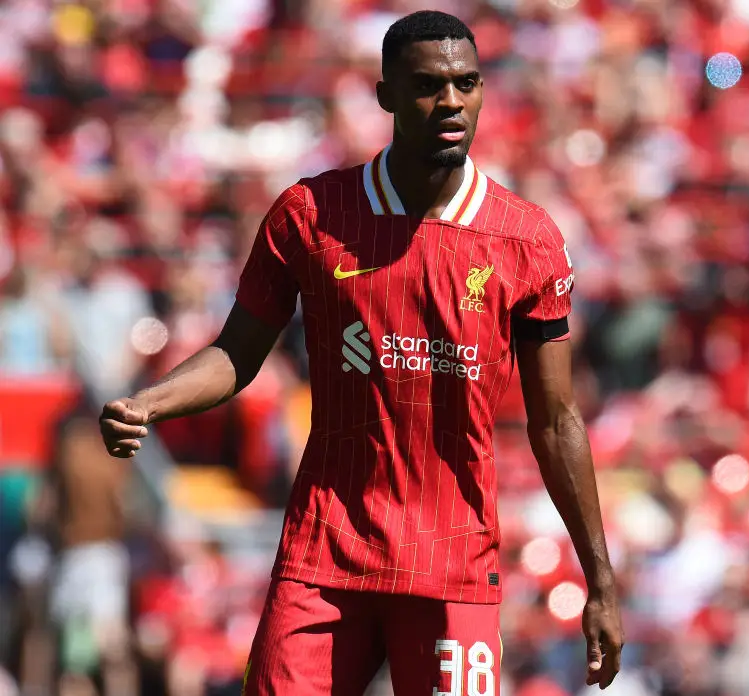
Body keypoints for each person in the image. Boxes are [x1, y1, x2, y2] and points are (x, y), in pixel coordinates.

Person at [98, 10, 623, 696]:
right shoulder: (312, 216)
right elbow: (237, 351)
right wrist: (150, 402)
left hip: (453, 564)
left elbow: (556, 421)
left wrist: (601, 582)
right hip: (324, 556)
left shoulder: (526, 241)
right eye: (429, 85)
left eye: (467, 83)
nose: (452, 102)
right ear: (385, 96)